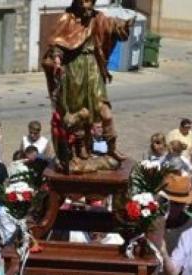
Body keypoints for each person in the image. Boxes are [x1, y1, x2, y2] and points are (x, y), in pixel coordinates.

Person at [41, 0, 133, 162]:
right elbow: (56, 43)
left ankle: (111, 147)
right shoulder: (66, 19)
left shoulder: (98, 18)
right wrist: (56, 59)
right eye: (84, 1)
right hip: (74, 69)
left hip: (93, 68)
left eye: (90, 1)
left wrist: (123, 26)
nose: (87, 5)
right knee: (79, 111)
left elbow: (113, 27)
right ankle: (81, 147)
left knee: (104, 110)